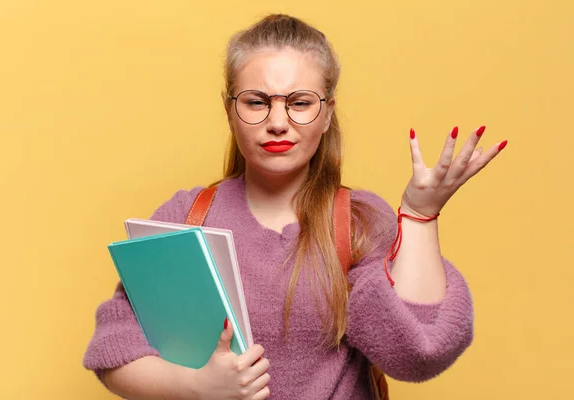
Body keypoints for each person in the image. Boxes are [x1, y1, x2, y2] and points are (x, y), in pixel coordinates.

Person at [83, 13, 507, 400]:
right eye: (256, 101)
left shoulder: (358, 222)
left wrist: (418, 216)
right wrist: (196, 387)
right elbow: (113, 348)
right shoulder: (186, 216)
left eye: (300, 102)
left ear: (327, 114)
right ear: (230, 110)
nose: (278, 121)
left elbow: (418, 354)